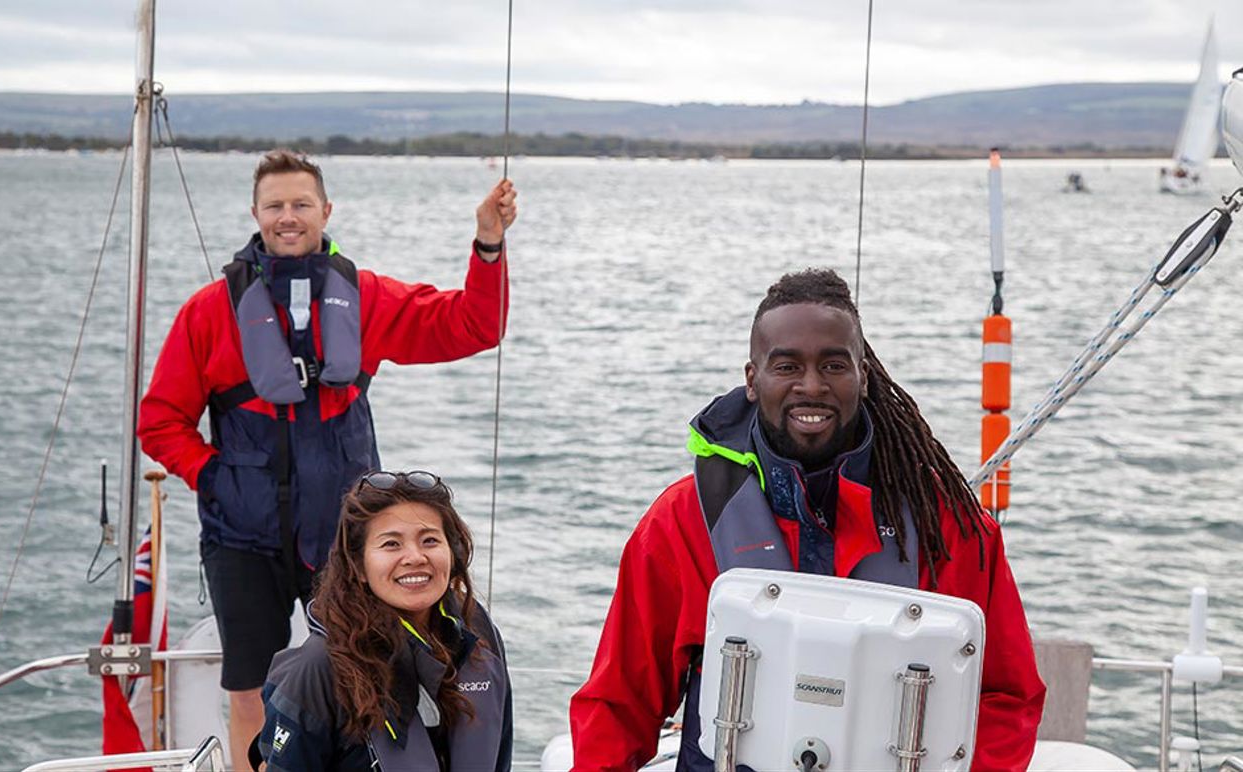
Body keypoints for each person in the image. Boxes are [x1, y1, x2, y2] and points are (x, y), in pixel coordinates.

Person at [569, 269, 1046, 771]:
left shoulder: (945, 524)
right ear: (752, 380)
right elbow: (618, 704)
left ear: (863, 375)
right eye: (787, 366)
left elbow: (1005, 697)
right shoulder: (682, 522)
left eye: (834, 365)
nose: (811, 386)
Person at [137, 149, 516, 771]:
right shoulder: (209, 311)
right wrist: (212, 477)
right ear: (255, 213)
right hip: (242, 535)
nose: (289, 216)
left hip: (347, 535)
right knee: (249, 685)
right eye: (276, 205)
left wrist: (488, 245)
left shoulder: (364, 297)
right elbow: (159, 421)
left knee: (367, 669)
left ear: (326, 210)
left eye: (301, 204)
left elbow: (474, 325)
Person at [255, 470, 512, 771]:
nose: (415, 557)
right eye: (392, 544)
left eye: (429, 540)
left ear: (452, 553)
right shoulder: (316, 669)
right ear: (359, 567)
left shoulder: (477, 630)